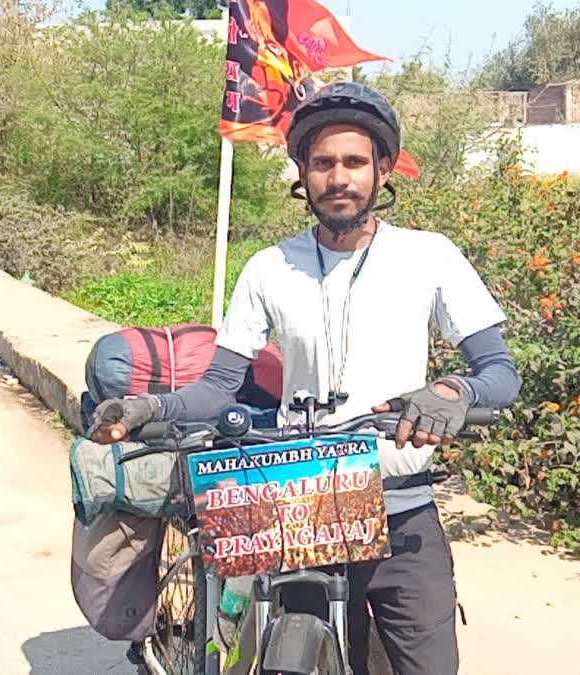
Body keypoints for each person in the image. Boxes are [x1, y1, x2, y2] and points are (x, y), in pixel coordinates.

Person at [87, 81, 521, 675]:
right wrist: (147, 411)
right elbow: (219, 388)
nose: (338, 178)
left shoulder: (430, 257)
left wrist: (452, 391)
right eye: (322, 163)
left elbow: (499, 371)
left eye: (354, 162)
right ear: (302, 172)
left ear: (382, 169)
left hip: (401, 510)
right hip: (299, 506)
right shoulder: (268, 268)